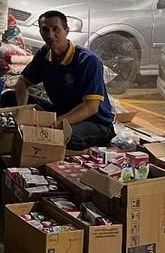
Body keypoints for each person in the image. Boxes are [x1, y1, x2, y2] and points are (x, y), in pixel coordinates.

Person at [6, 11, 116, 150]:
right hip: (61, 113)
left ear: (66, 30)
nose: (50, 35)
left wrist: (55, 122)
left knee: (60, 136)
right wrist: (23, 112)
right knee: (9, 97)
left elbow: (91, 107)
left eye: (55, 29)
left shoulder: (87, 60)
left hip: (95, 123)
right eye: (45, 30)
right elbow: (23, 82)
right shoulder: (45, 53)